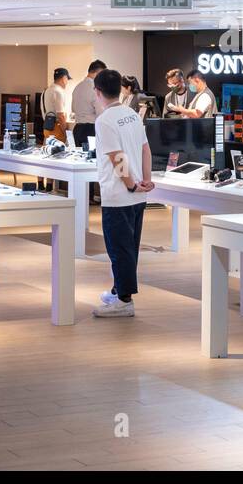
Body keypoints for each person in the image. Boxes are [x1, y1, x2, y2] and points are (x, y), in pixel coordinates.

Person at [91, 69, 154, 318]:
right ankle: (118, 290)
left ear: (97, 92)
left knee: (119, 249)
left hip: (119, 195)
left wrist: (130, 185)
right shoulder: (132, 114)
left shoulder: (104, 120)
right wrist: (145, 181)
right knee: (130, 247)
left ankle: (125, 301)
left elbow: (116, 157)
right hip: (137, 194)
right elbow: (146, 149)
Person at [39, 67, 70, 191]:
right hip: (56, 127)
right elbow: (61, 115)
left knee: (44, 155)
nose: (67, 82)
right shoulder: (59, 91)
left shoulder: (45, 91)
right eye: (67, 79)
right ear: (63, 78)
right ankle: (49, 186)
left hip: (47, 126)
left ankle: (40, 184)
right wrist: (65, 131)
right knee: (54, 157)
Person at [71, 59, 105, 150]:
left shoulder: (77, 87)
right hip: (90, 130)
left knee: (78, 156)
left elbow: (73, 108)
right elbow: (100, 113)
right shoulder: (95, 88)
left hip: (77, 129)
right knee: (92, 157)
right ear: (98, 73)